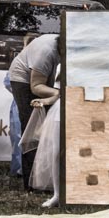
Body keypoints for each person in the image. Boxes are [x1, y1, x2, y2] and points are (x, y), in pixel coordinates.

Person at [8, 34, 60, 191]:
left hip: (46, 80)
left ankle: (49, 179)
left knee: (50, 129)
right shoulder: (46, 52)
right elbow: (36, 86)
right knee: (31, 127)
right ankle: (31, 183)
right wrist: (59, 93)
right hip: (23, 79)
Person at [28, 65, 61, 208]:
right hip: (61, 110)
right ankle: (57, 194)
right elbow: (59, 94)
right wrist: (44, 101)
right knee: (57, 152)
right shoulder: (62, 66)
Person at [3, 71, 22, 180]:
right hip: (21, 103)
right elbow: (8, 82)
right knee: (18, 137)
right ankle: (19, 169)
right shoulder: (19, 63)